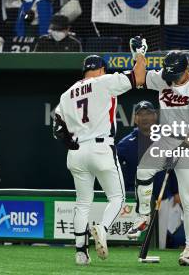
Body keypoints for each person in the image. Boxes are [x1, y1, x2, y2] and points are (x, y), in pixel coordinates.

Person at [53, 43, 147, 265]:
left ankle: (80, 253)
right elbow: (139, 77)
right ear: (102, 70)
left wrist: (71, 142)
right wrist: (140, 54)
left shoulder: (66, 94)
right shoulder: (104, 81)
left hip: (76, 152)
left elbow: (57, 128)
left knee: (82, 202)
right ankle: (102, 229)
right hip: (101, 147)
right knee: (117, 198)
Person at [127, 50, 189, 266]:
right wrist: (139, 55)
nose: (171, 78)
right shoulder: (163, 77)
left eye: (175, 74)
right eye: (169, 73)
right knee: (143, 169)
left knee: (188, 198)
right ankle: (144, 216)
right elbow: (139, 76)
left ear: (186, 69)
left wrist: (184, 146)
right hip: (166, 140)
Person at [116, 101, 181, 250]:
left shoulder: (166, 140)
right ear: (135, 119)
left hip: (161, 198)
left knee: (160, 242)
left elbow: (173, 168)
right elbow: (116, 172)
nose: (145, 118)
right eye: (140, 114)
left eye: (148, 114)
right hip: (135, 199)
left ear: (155, 116)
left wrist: (177, 192)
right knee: (133, 243)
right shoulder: (125, 144)